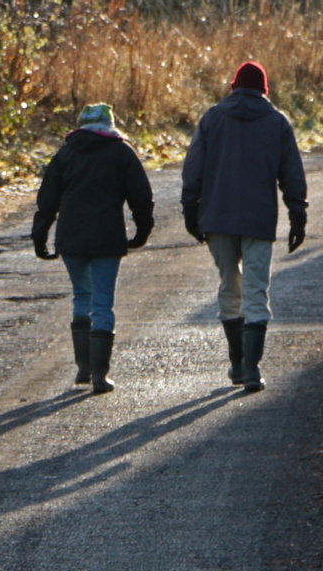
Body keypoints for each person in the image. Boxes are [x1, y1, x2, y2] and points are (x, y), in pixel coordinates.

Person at [180, 61, 307, 393]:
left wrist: (190, 210)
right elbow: (291, 174)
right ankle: (251, 370)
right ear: (264, 89)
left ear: (233, 86)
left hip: (217, 218)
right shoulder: (277, 122)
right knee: (255, 291)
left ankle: (236, 363)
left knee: (228, 286)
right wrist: (297, 215)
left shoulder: (212, 119)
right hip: (258, 219)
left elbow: (193, 168)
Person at [32, 102, 154, 394]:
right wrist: (141, 231)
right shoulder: (121, 153)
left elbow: (47, 199)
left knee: (81, 297)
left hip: (71, 237)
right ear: (109, 126)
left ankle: (83, 369)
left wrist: (40, 235)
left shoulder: (66, 153)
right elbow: (141, 196)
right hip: (107, 238)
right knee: (102, 303)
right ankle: (100, 375)